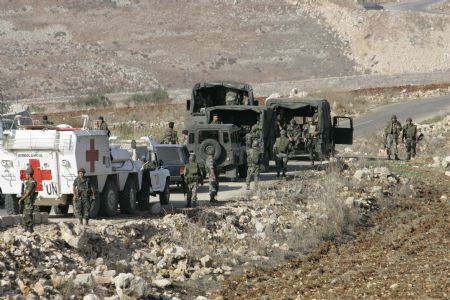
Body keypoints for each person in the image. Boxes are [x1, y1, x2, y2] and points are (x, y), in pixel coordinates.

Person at [18, 167, 37, 233]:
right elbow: (25, 192)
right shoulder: (28, 182)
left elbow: (28, 193)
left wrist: (21, 199)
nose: (25, 175)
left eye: (26, 174)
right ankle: (26, 229)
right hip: (26, 201)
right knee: (24, 216)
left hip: (29, 202)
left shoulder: (32, 182)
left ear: (29, 174)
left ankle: (30, 230)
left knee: (28, 216)